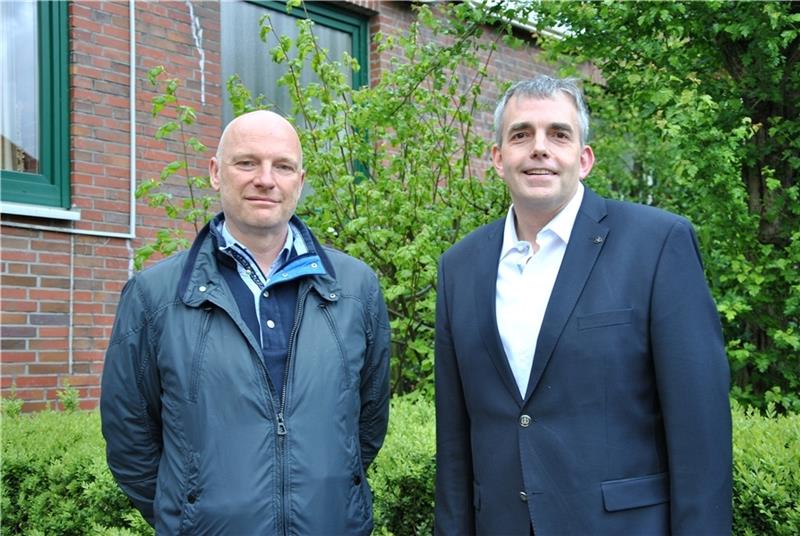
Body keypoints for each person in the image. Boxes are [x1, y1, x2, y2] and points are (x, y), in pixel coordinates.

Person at [434, 75, 732, 535]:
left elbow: (701, 428)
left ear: (584, 157)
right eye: (520, 135)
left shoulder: (656, 244)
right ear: (497, 158)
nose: (539, 148)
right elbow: (454, 436)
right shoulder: (460, 266)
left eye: (558, 133)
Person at [101, 110, 391, 535]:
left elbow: (367, 421)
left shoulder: (356, 289)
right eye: (247, 162)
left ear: (300, 180)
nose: (266, 179)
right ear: (217, 173)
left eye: (283, 166)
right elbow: (130, 435)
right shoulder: (153, 296)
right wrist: (189, 512)